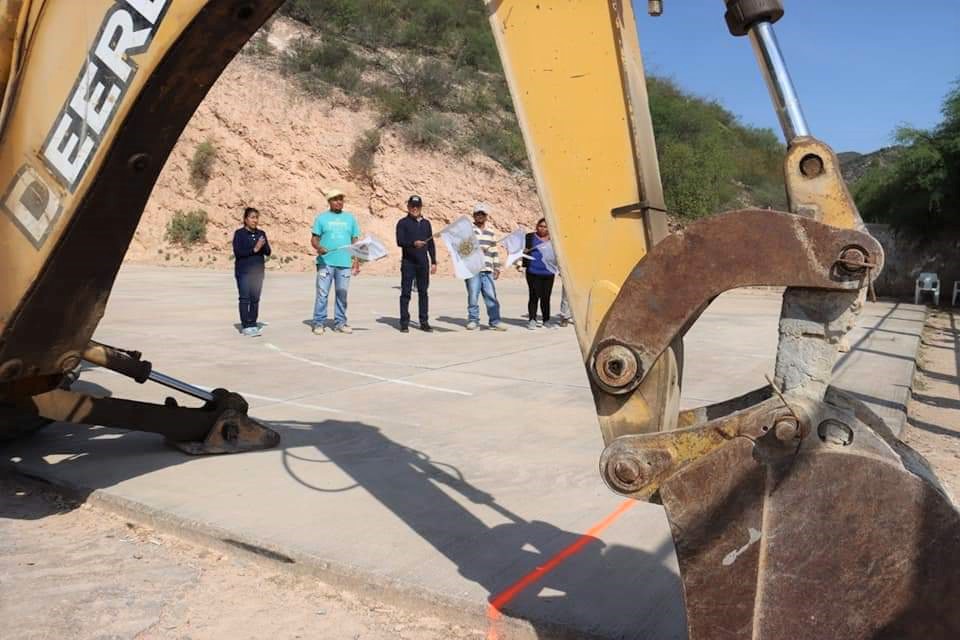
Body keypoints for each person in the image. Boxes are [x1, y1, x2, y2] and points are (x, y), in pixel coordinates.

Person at [311, 188, 360, 335]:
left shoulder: (350, 219)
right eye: (335, 199)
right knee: (322, 294)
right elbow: (314, 239)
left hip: (344, 263)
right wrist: (319, 247)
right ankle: (319, 322)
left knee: (342, 294)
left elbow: (354, 241)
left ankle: (340, 322)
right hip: (326, 262)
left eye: (341, 199)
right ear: (329, 202)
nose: (339, 202)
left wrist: (356, 260)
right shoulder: (321, 218)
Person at [396, 195, 437, 333]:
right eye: (412, 206)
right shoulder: (402, 223)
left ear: (420, 207)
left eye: (417, 206)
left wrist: (434, 261)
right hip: (408, 263)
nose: (414, 208)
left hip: (423, 263)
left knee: (423, 293)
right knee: (406, 293)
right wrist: (413, 244)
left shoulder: (426, 223)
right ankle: (404, 322)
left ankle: (424, 321)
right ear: (408, 207)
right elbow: (400, 241)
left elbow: (431, 243)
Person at [465, 204, 507, 331]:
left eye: (482, 214)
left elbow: (494, 250)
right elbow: (462, 248)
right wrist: (476, 251)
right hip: (473, 269)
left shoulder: (490, 232)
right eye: (478, 214)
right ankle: (473, 320)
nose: (480, 216)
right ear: (474, 215)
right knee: (473, 296)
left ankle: (495, 321)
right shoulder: (468, 230)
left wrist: (497, 267)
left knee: (491, 296)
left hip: (487, 269)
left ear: (486, 216)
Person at [232, 206, 271, 337]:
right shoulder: (239, 234)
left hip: (258, 272)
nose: (255, 220)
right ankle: (245, 325)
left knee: (255, 299)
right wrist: (255, 249)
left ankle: (253, 323)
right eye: (252, 217)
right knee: (245, 298)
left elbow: (268, 252)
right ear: (245, 219)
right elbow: (238, 252)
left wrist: (263, 246)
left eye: (257, 218)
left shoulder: (261, 234)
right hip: (243, 272)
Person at [524, 218, 555, 329]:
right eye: (540, 226)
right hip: (533, 271)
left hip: (549, 272)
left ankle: (546, 320)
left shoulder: (554, 239)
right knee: (534, 296)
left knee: (546, 297)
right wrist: (523, 251)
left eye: (545, 226)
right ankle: (532, 319)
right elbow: (520, 249)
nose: (542, 228)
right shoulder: (529, 237)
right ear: (537, 226)